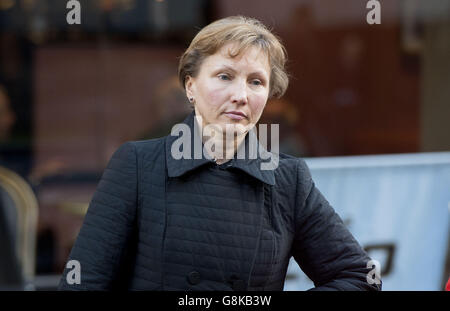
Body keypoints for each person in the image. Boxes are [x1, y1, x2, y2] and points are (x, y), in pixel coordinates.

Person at [58, 16, 381, 291]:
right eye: (225, 76)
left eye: (256, 82)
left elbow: (359, 276)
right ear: (190, 86)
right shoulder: (138, 164)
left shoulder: (287, 179)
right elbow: (83, 281)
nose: (240, 95)